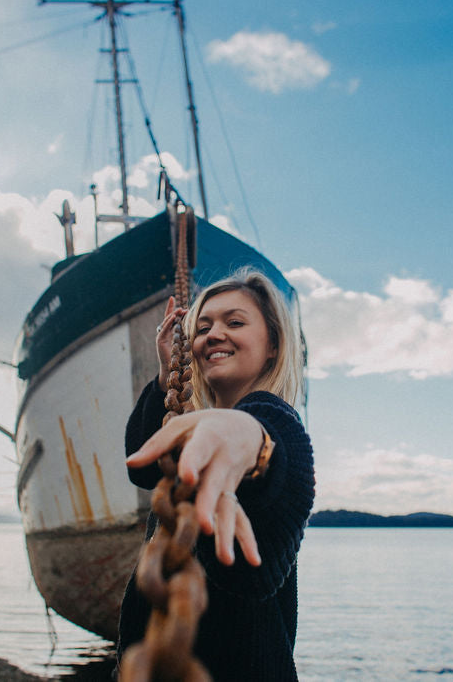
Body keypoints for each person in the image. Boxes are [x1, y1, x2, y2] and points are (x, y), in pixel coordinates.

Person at [117, 268, 315, 681]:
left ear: (274, 345)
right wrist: (164, 375)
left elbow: (272, 441)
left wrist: (251, 441)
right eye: (203, 327)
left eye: (235, 322)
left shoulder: (275, 423)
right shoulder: (201, 436)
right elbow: (144, 466)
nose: (213, 334)